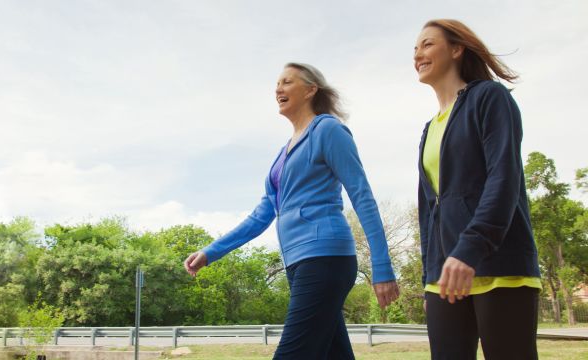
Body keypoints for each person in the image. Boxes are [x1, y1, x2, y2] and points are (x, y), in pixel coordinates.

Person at [184, 62, 399, 359]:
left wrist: (383, 266)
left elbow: (362, 195)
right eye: (277, 84)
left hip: (325, 257)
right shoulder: (282, 154)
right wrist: (212, 251)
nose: (278, 89)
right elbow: (262, 214)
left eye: (287, 82)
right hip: (299, 264)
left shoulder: (328, 130)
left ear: (311, 90)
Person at [414, 19, 542, 359]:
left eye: (427, 44)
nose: (418, 54)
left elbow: (504, 179)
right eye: (415, 48)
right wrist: (431, 277)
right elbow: (429, 210)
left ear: (457, 50)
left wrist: (470, 248)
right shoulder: (430, 128)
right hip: (446, 276)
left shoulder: (489, 97)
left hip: (499, 268)